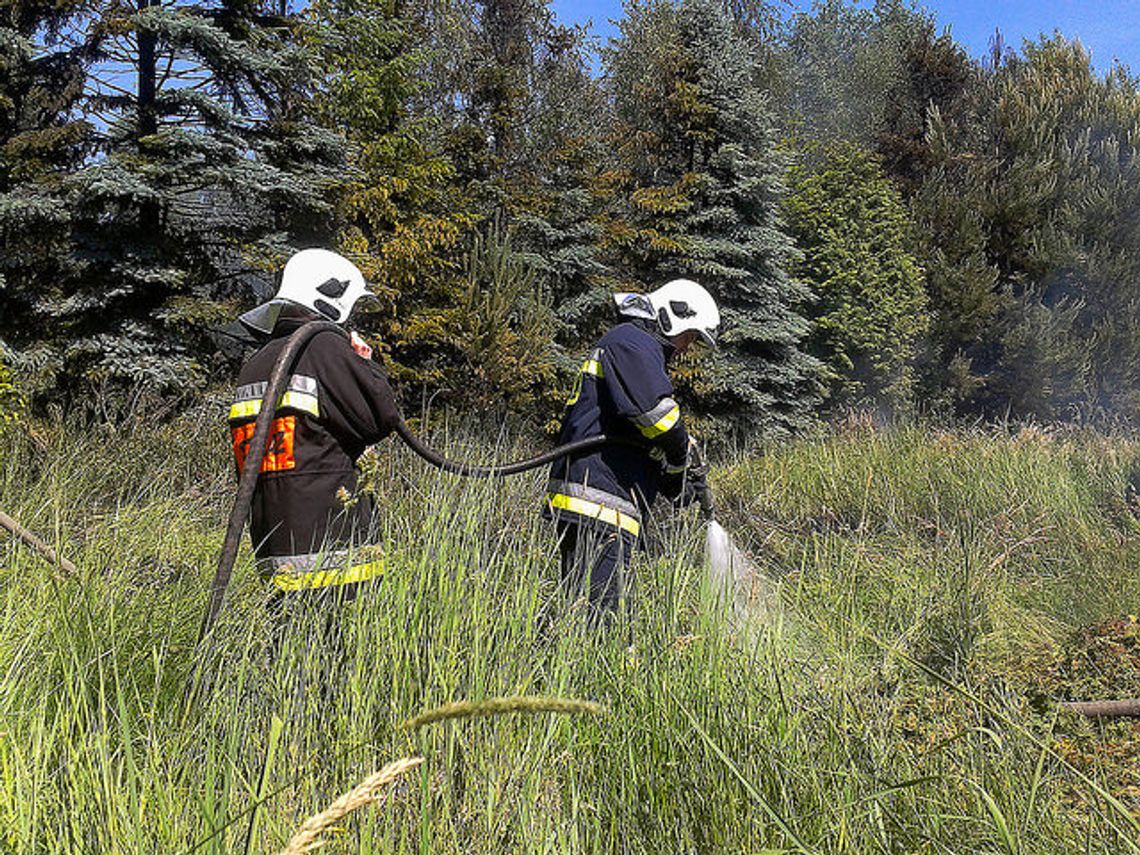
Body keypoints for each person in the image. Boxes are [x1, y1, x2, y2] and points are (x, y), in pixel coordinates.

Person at [228, 248, 401, 602]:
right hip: (333, 549)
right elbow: (380, 416)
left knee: (292, 649)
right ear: (331, 298)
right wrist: (364, 365)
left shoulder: (257, 362)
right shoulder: (323, 348)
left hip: (276, 549)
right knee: (339, 653)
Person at [545, 278, 719, 615]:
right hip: (596, 498)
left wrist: (676, 477)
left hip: (603, 498)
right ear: (673, 316)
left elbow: (641, 433)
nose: (685, 348)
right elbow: (658, 417)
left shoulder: (635, 347)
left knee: (586, 614)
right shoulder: (632, 342)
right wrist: (681, 450)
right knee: (600, 622)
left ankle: (568, 663)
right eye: (690, 337)